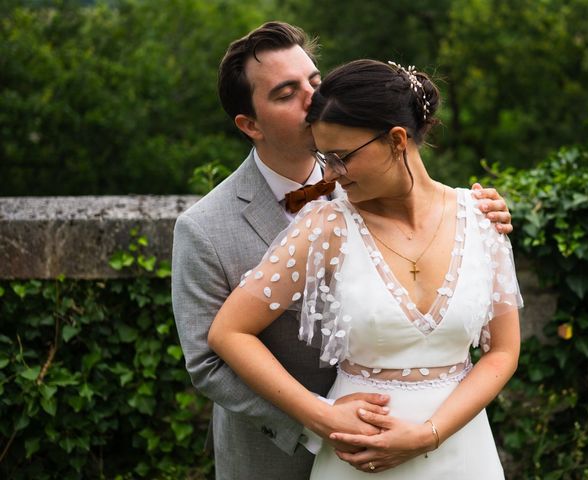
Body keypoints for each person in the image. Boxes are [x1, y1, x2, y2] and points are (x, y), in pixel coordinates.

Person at [172, 22, 514, 480]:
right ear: (249, 124)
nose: (312, 99)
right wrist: (322, 417)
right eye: (286, 92)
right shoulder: (205, 229)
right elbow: (210, 359)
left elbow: (501, 345)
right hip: (278, 452)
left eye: (315, 81)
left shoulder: (372, 172)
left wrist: (484, 219)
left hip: (451, 448)